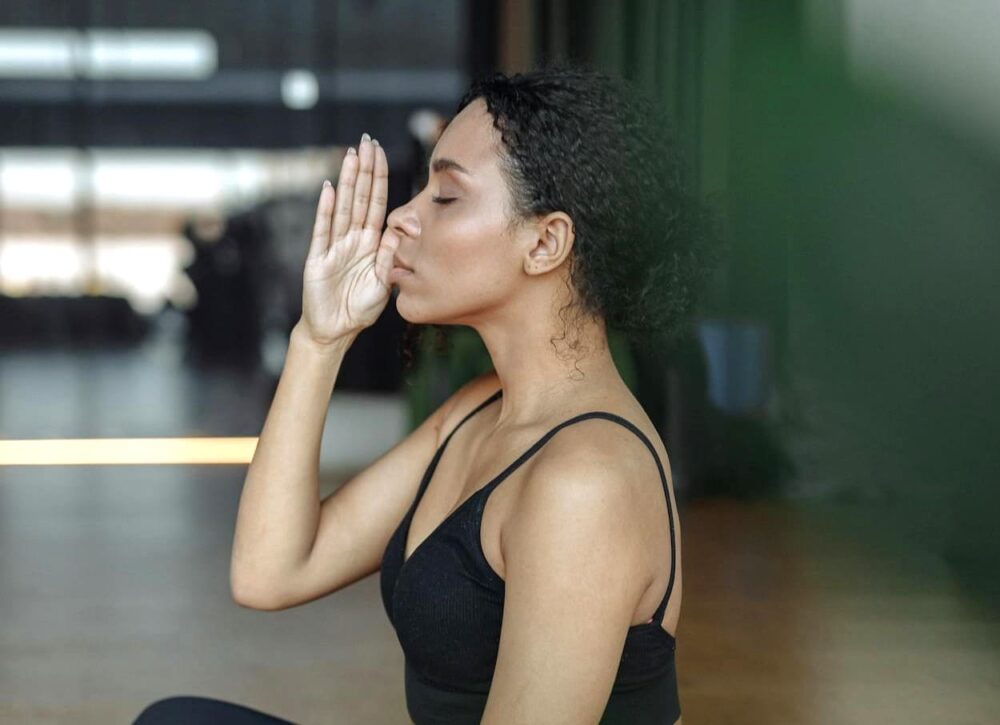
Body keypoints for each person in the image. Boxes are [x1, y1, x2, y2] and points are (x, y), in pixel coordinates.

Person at [134, 64, 718, 725]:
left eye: (444, 198)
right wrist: (318, 341)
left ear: (546, 241)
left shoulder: (586, 481)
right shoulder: (478, 410)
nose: (402, 220)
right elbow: (270, 571)